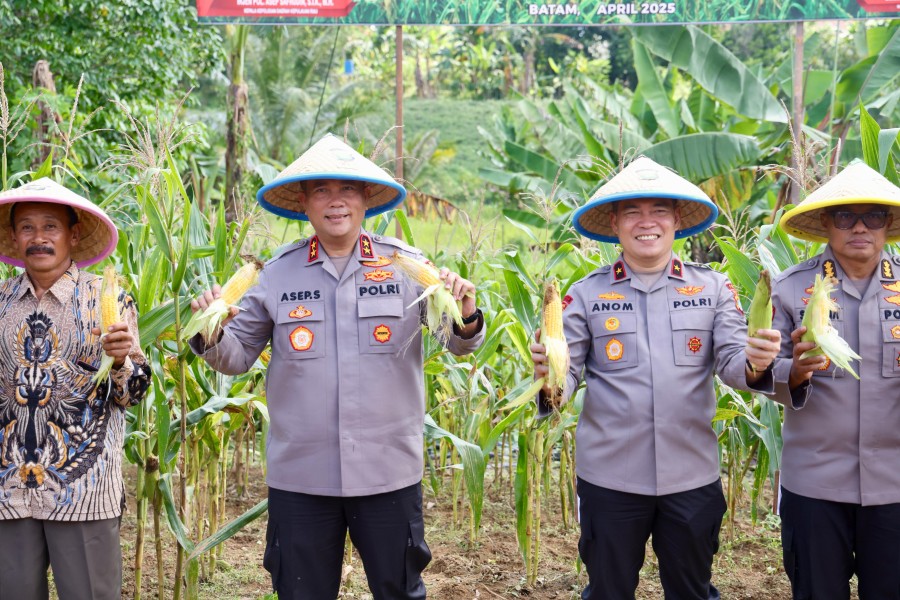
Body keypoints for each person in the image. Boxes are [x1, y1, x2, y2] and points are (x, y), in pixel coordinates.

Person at [190, 133, 485, 599]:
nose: (335, 202)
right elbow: (236, 356)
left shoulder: (406, 266)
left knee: (398, 591)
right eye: (321, 191)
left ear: (366, 197)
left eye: (346, 189)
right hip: (302, 475)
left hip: (387, 470)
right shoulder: (276, 274)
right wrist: (210, 330)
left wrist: (466, 313)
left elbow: (458, 342)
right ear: (303, 202)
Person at [531, 156, 781, 600]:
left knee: (691, 590)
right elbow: (567, 379)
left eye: (658, 211)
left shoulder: (713, 289)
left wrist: (757, 361)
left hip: (691, 477)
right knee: (608, 591)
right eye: (632, 212)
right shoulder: (586, 294)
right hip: (610, 480)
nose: (647, 223)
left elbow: (731, 362)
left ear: (676, 220)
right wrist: (549, 380)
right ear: (615, 222)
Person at [0, 178, 150, 599]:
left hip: (83, 490)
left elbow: (131, 394)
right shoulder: (2, 302)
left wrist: (120, 360)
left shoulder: (108, 300)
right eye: (27, 227)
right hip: (9, 489)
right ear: (14, 237)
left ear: (73, 234)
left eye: (51, 226)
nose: (39, 238)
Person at [771, 161, 900, 599]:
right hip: (815, 484)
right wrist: (793, 371)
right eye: (845, 216)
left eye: (873, 216)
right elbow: (758, 371)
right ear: (826, 222)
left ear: (888, 224)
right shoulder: (790, 289)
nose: (859, 227)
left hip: (895, 485)